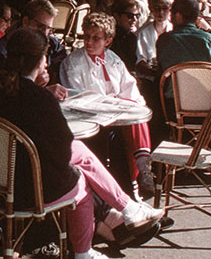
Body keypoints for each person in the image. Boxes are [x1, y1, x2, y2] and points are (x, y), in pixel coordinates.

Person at [0, 29, 160, 259]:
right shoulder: (38, 98)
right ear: (41, 61)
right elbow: (62, 152)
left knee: (77, 152)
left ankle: (125, 210)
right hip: (29, 190)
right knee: (79, 178)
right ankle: (85, 252)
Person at [60, 12, 155, 198]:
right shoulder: (74, 63)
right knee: (128, 125)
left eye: (96, 38)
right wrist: (112, 103)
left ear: (108, 41)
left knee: (136, 117)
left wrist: (130, 105)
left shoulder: (113, 59)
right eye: (86, 36)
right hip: (90, 117)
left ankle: (142, 171)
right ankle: (134, 184)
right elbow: (78, 98)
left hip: (114, 113)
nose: (89, 42)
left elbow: (129, 87)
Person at [0, 0, 68, 98]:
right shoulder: (0, 51)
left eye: (48, 29)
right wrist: (36, 87)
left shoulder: (53, 45)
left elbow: (64, 70)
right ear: (25, 21)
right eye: (40, 26)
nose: (45, 33)